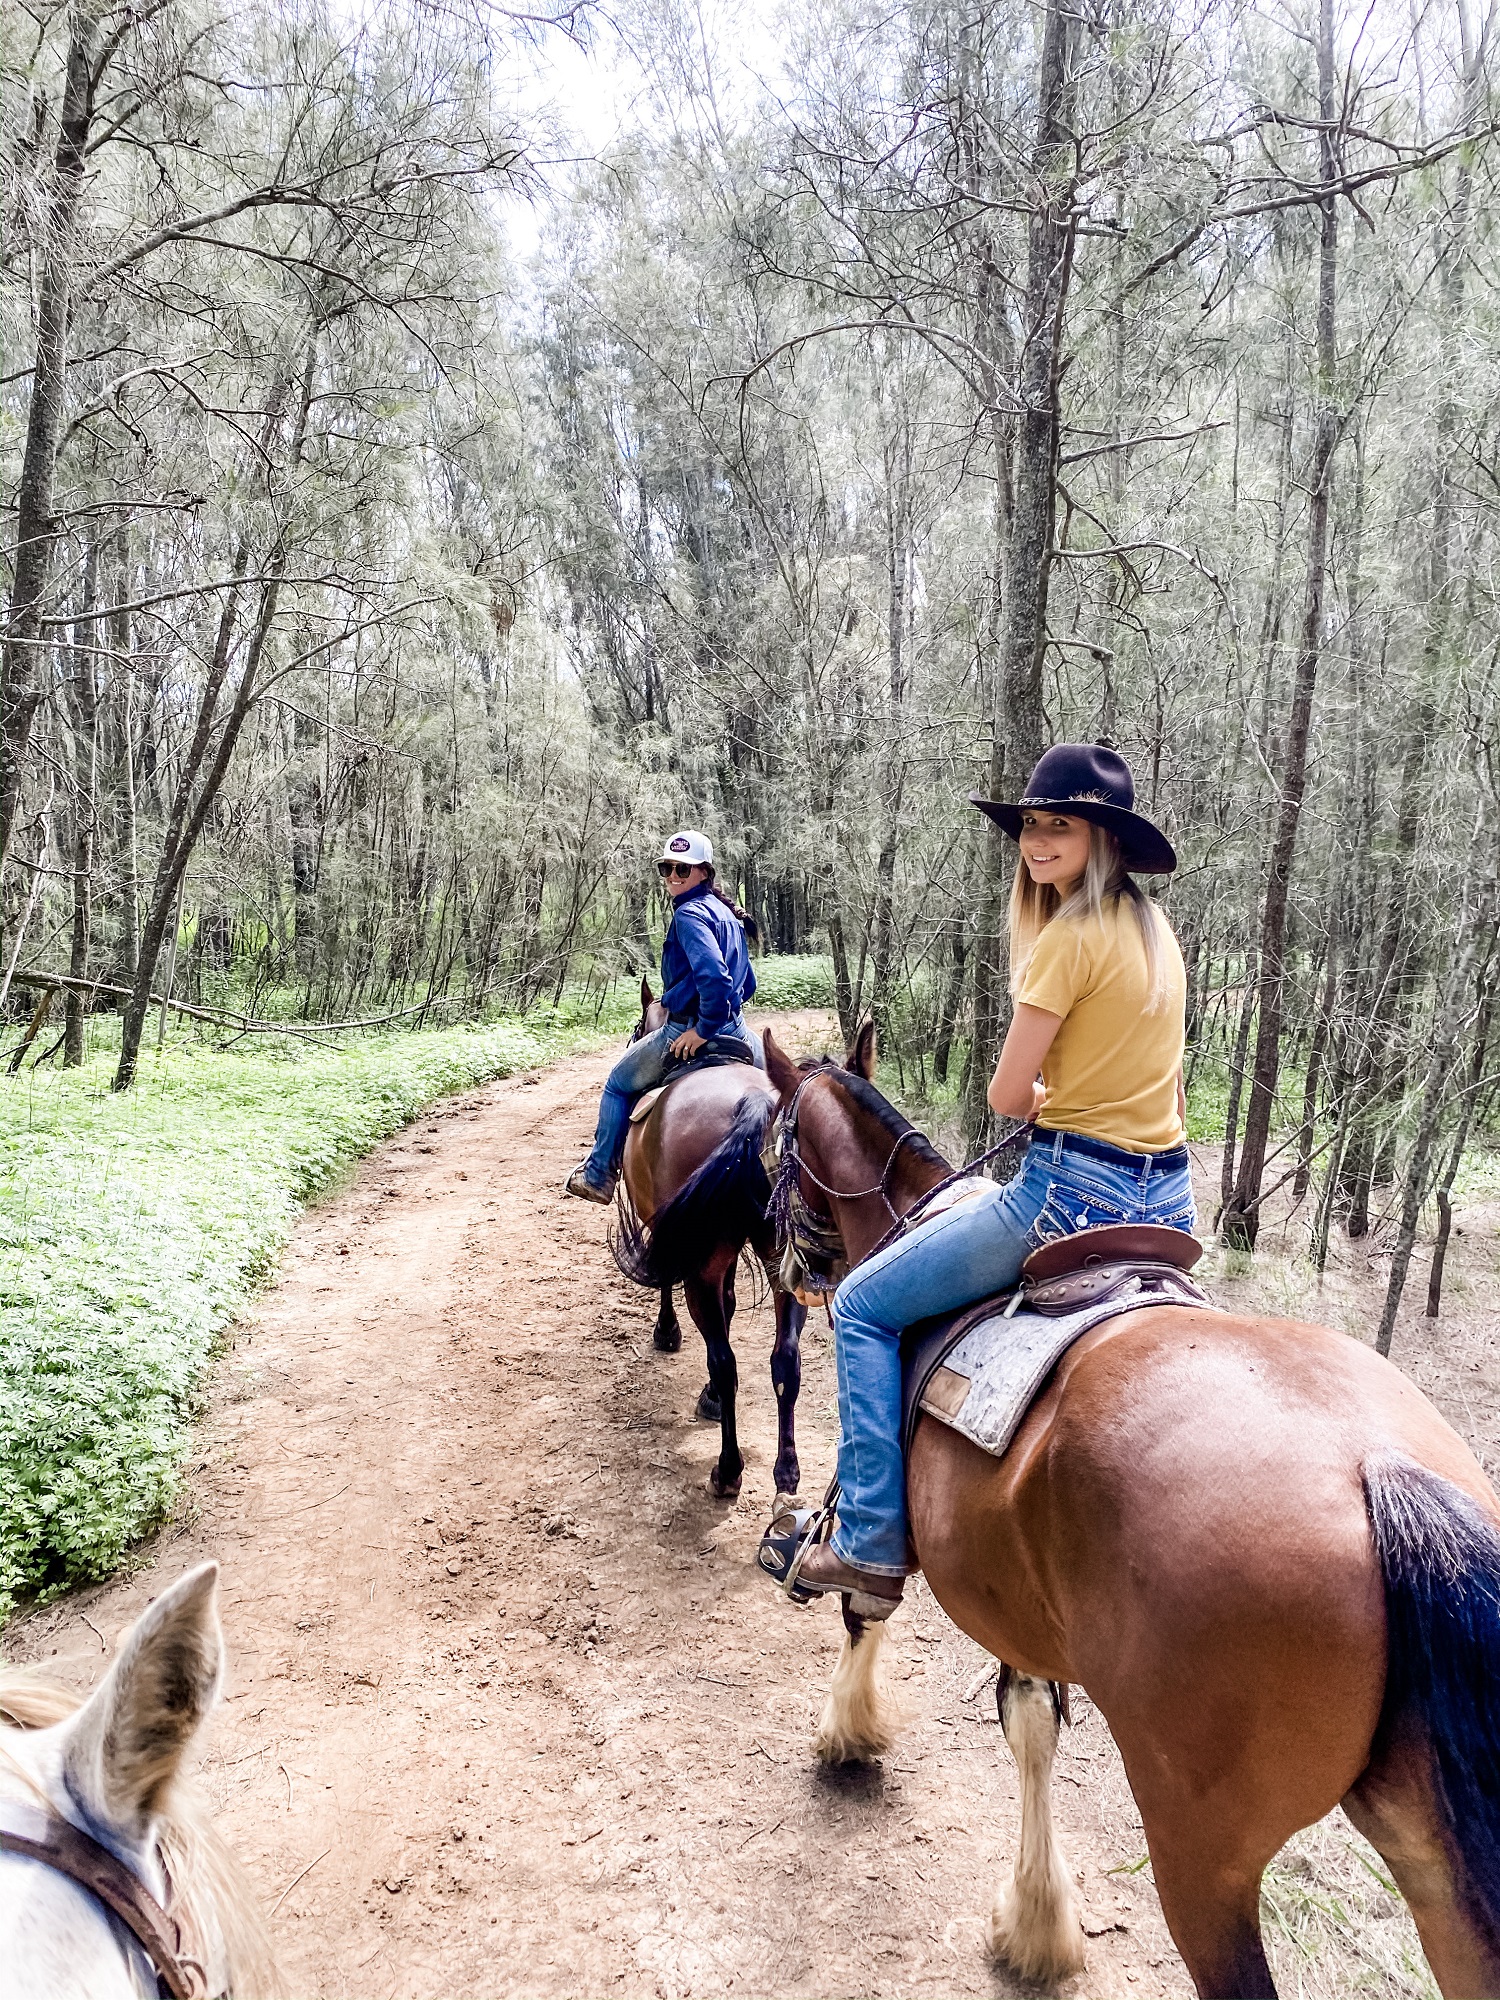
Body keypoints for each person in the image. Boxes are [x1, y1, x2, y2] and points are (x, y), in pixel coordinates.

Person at [793, 742, 1196, 1607]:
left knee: (861, 1304)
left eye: (1062, 826)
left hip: (1068, 1195)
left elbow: (1010, 1092)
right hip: (1170, 1197)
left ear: (1103, 838)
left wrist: (1044, 1097)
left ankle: (866, 1539)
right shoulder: (1157, 933)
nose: (1039, 842)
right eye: (1031, 826)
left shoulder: (1067, 939)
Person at [565, 829, 761, 1203]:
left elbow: (716, 979)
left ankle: (598, 1173)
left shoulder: (689, 915)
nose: (673, 876)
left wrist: (702, 1030)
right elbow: (746, 984)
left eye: (683, 870)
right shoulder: (728, 914)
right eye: (667, 868)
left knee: (618, 1084)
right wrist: (723, 1015)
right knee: (787, 1091)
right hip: (737, 1029)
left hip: (686, 1028)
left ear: (704, 872)